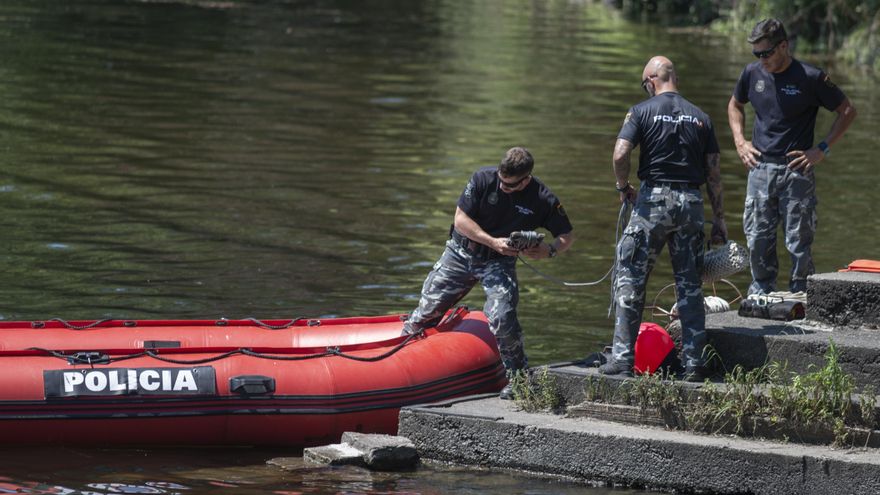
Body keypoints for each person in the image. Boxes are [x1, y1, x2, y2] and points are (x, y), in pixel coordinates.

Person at [402, 147, 574, 399]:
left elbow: (567, 235)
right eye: (502, 181)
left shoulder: (543, 198)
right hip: (461, 253)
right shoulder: (482, 179)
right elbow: (461, 220)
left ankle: (519, 378)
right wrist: (493, 241)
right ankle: (403, 360)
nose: (503, 187)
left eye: (511, 185)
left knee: (503, 316)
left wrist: (549, 250)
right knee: (426, 312)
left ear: (526, 179)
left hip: (499, 263)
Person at [598, 56, 726, 381]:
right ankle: (695, 364)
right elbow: (713, 174)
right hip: (692, 203)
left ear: (652, 80)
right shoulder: (702, 117)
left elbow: (620, 153)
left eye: (644, 84)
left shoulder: (641, 111)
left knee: (629, 275)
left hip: (653, 200)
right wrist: (719, 221)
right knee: (690, 285)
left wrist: (623, 185)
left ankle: (624, 360)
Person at [728, 18, 857, 296]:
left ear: (783, 46)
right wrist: (740, 142)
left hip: (796, 171)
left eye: (766, 53)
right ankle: (760, 295)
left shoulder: (810, 77)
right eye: (757, 54)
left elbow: (847, 111)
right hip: (760, 168)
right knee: (758, 240)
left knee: (798, 242)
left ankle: (801, 297)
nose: (762, 60)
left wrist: (821, 149)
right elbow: (735, 104)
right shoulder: (751, 74)